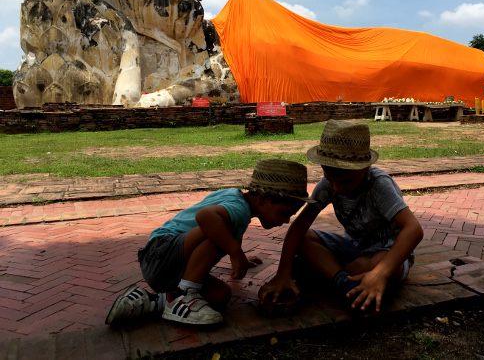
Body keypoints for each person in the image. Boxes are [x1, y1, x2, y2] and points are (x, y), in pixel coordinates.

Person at [105, 159, 313, 326]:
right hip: (160, 252)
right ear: (262, 199)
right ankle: (184, 294)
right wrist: (235, 253)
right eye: (284, 213)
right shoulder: (239, 210)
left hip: (169, 265)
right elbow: (205, 217)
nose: (285, 221)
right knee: (219, 229)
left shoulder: (237, 200)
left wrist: (239, 256)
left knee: (221, 295)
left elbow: (226, 233)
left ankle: (154, 302)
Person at [258, 120, 424, 314]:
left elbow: (413, 230)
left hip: (386, 255)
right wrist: (283, 273)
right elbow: (299, 227)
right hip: (353, 249)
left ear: (365, 169)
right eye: (330, 180)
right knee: (302, 240)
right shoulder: (329, 184)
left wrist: (380, 274)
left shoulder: (378, 185)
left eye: (345, 182)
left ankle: (332, 271)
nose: (336, 188)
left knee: (373, 267)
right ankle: (343, 282)